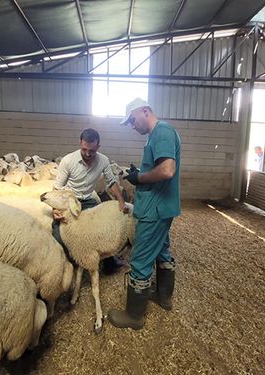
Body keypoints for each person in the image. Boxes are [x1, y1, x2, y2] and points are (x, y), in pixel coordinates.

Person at [107, 98, 181, 330]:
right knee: (162, 251)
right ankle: (163, 296)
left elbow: (167, 170)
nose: (131, 125)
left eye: (132, 119)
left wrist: (138, 178)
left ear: (145, 111)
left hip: (154, 209)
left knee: (140, 258)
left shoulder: (162, 131)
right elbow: (158, 168)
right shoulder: (157, 134)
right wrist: (140, 172)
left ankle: (134, 315)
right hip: (162, 206)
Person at [52, 128, 129, 274]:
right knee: (58, 233)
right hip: (69, 202)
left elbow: (111, 182)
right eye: (84, 149)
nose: (87, 154)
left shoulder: (103, 160)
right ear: (80, 143)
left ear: (98, 147)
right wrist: (56, 210)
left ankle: (109, 262)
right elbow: (57, 188)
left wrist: (121, 201)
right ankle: (66, 265)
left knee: (103, 228)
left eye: (92, 151)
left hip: (88, 200)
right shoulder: (68, 161)